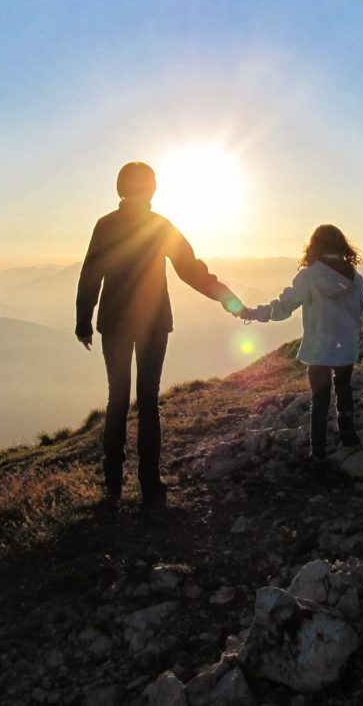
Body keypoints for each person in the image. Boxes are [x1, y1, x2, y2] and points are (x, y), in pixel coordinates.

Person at [76, 162, 242, 507]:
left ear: (120, 188)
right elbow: (190, 269)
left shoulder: (106, 225)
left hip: (115, 323)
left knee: (118, 400)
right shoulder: (159, 225)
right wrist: (225, 296)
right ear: (152, 189)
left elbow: (91, 273)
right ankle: (150, 485)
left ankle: (113, 484)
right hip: (153, 323)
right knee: (148, 401)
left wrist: (84, 320)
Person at [235, 224, 363, 471]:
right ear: (342, 245)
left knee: (320, 399)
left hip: (319, 348)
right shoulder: (355, 277)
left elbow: (283, 308)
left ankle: (318, 452)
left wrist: (251, 313)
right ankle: (349, 436)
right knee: (344, 389)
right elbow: (361, 305)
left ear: (315, 246)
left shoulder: (309, 277)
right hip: (346, 346)